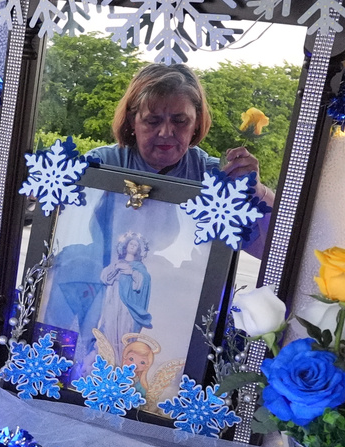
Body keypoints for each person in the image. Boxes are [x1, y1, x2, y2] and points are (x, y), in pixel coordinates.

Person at [86, 63, 276, 208]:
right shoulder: (98, 165)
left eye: (180, 121)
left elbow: (275, 247)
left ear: (197, 123)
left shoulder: (214, 175)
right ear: (131, 121)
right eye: (153, 121)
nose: (166, 132)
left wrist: (257, 191)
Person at [96, 231, 153, 364]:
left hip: (127, 304)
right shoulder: (117, 263)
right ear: (125, 246)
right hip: (113, 299)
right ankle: (108, 359)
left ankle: (121, 360)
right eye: (131, 243)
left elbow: (143, 281)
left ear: (139, 250)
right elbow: (105, 277)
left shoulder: (139, 267)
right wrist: (116, 268)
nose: (133, 246)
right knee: (109, 325)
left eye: (136, 245)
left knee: (124, 328)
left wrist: (131, 272)